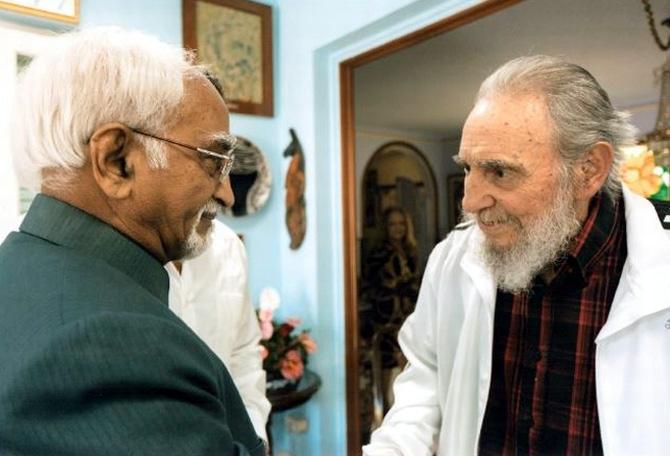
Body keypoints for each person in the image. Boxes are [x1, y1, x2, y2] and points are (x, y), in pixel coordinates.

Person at [364, 55, 670, 455]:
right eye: (469, 168)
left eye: (500, 172)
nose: (470, 201)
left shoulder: (656, 261)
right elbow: (426, 379)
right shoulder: (453, 258)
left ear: (588, 171)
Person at [0, 27, 265, 455]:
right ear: (117, 161)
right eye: (213, 161)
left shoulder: (16, 269)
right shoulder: (115, 343)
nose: (227, 193)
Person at [166, 218, 271, 443]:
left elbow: (244, 352)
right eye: (213, 178)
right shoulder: (121, 254)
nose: (228, 195)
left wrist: (255, 437)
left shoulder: (229, 246)